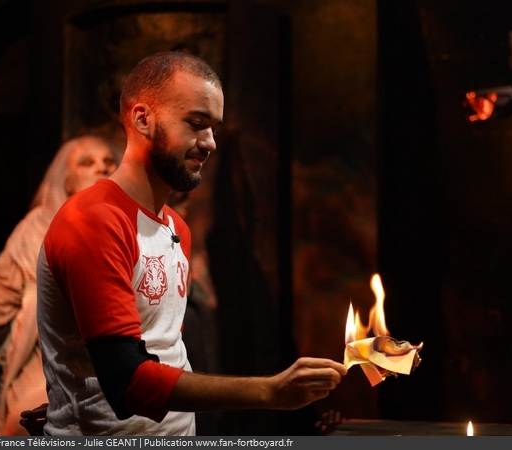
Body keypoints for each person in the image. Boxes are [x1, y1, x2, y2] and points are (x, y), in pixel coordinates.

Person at [35, 51, 346, 436]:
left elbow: (160, 349)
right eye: (197, 124)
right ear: (143, 119)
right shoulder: (95, 220)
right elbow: (128, 381)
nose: (210, 143)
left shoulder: (175, 226)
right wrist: (269, 391)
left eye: (213, 128)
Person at [0, 135, 118, 436]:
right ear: (67, 181)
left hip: (101, 349)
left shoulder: (128, 229)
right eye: (87, 162)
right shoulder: (41, 222)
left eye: (109, 162)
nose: (102, 168)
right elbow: (3, 289)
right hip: (46, 339)